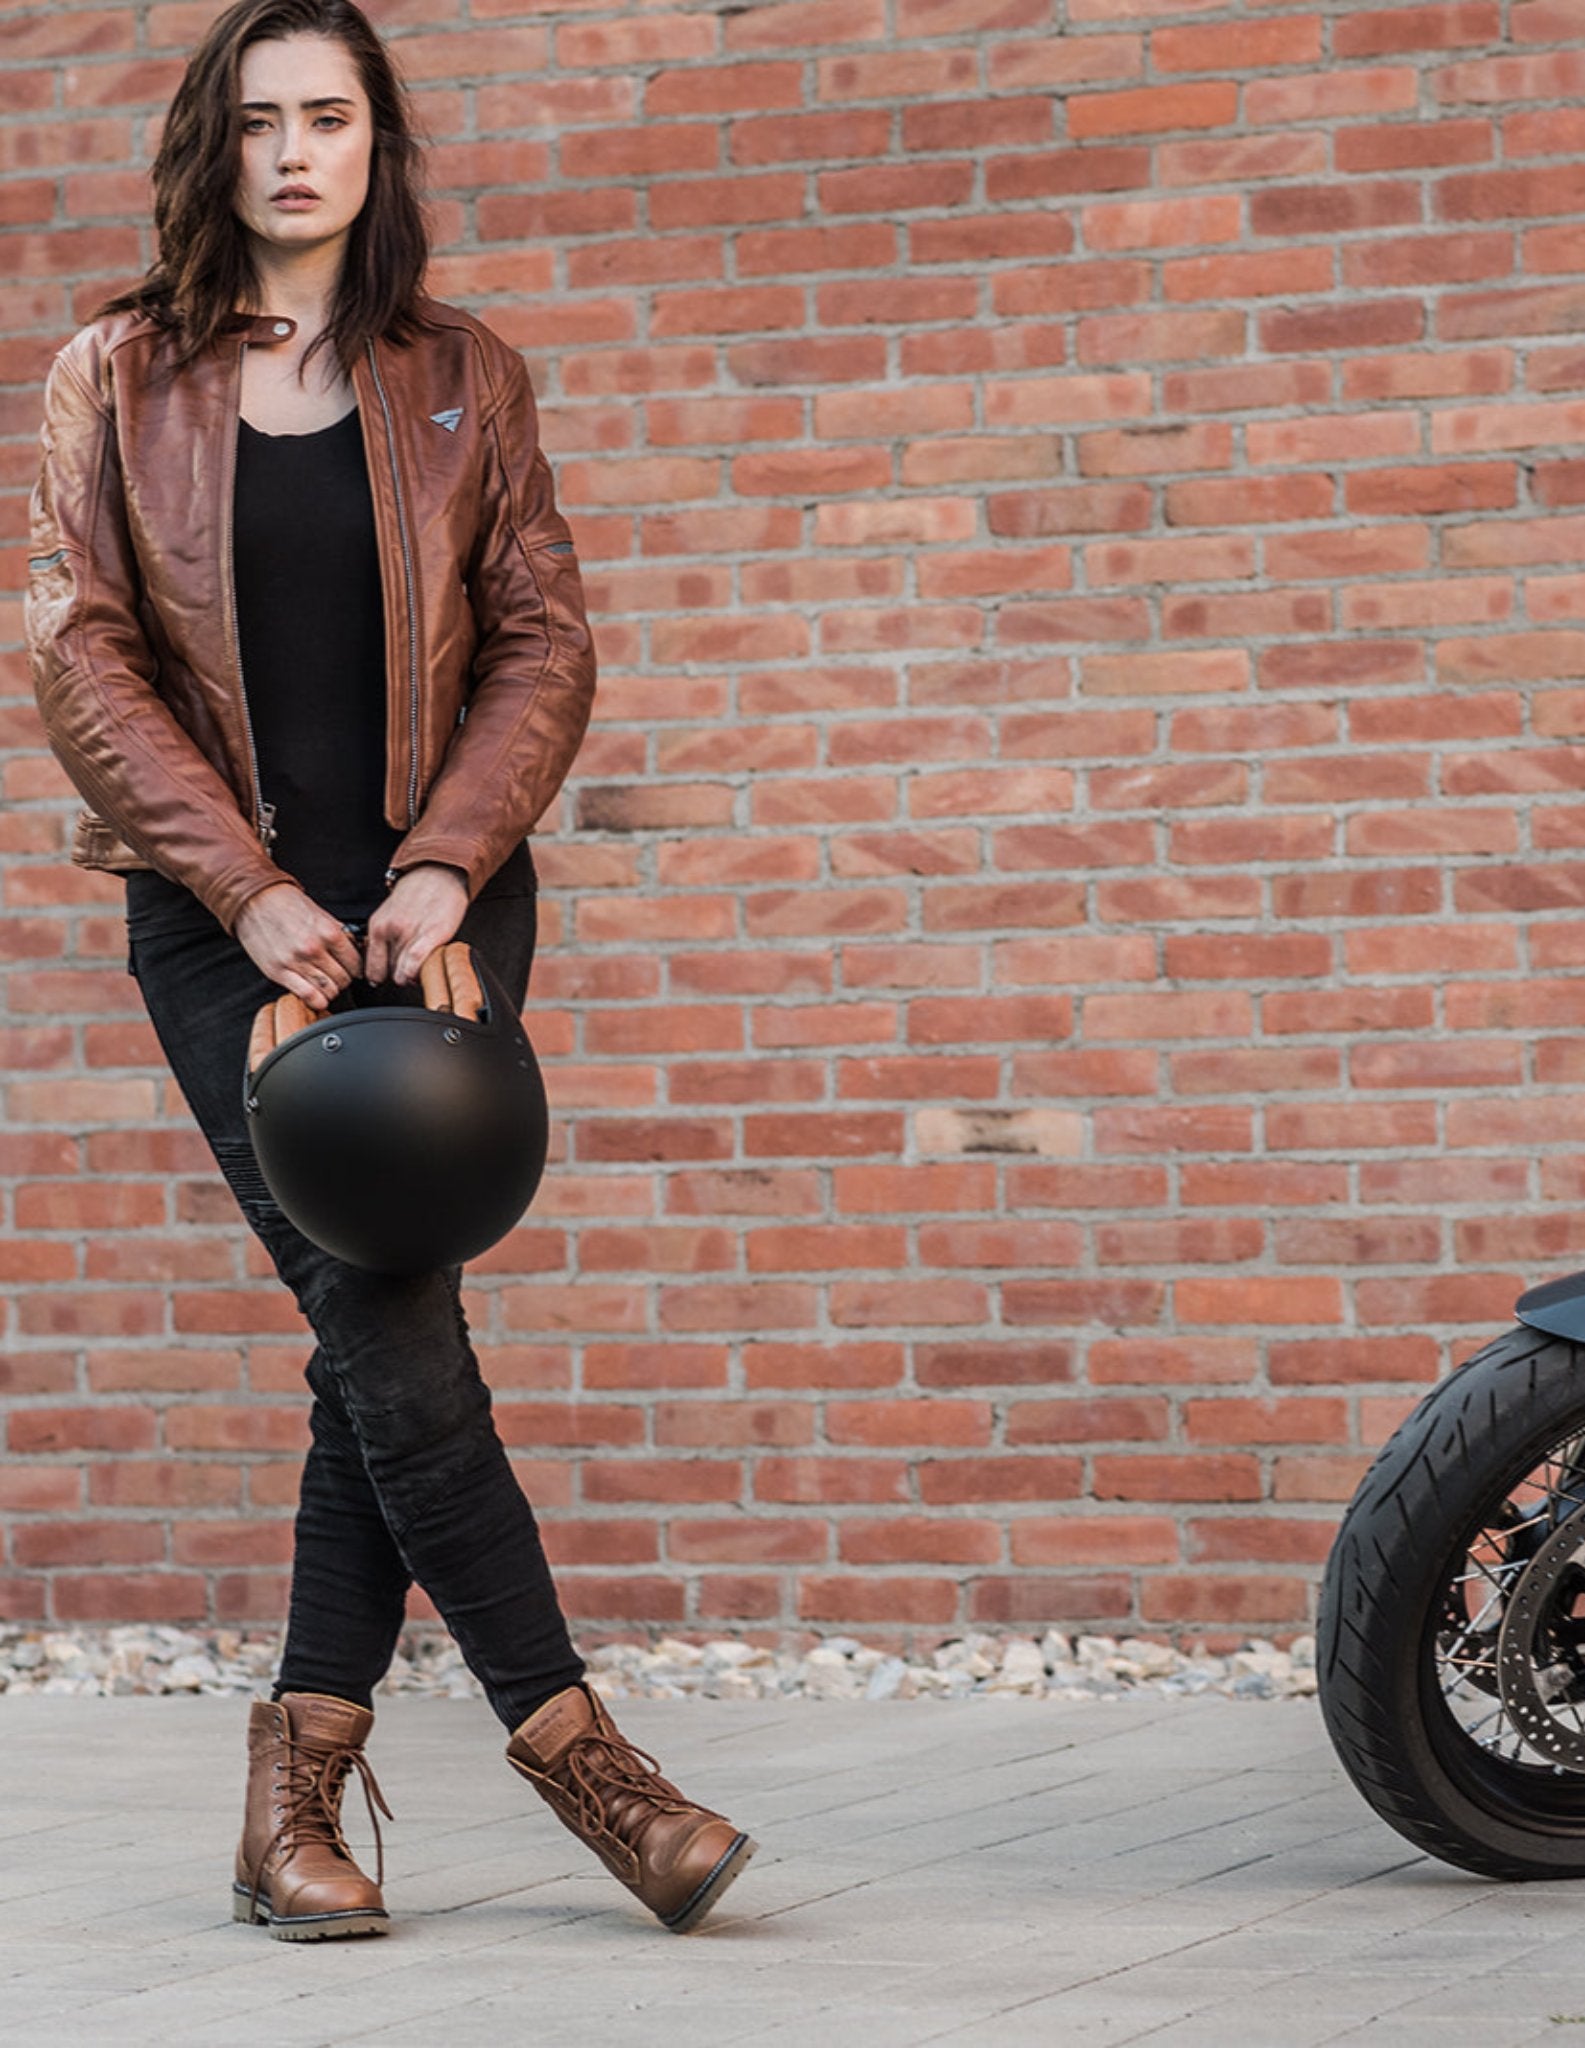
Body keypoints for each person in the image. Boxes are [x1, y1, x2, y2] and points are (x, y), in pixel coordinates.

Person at [24, 0, 754, 1940]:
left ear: (373, 143)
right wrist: (254, 892)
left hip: (439, 909)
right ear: (214, 145)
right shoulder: (118, 373)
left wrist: (442, 867)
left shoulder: (461, 375)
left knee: (380, 1314)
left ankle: (294, 1811)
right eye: (257, 119)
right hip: (225, 922)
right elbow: (82, 658)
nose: (292, 151)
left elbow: (544, 638)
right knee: (381, 1316)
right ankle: (588, 1760)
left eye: (327, 116)